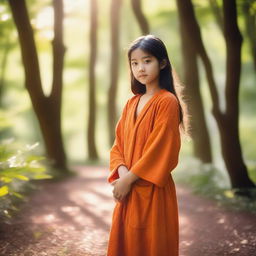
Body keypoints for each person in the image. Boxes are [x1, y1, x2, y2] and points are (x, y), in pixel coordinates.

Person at [107, 34, 187, 256]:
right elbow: (118, 145)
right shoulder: (131, 103)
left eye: (147, 60)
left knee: (152, 246)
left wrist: (129, 179)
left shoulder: (167, 102)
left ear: (162, 63)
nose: (140, 68)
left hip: (152, 189)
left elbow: (160, 149)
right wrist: (123, 179)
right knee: (126, 245)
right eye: (134, 63)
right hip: (128, 189)